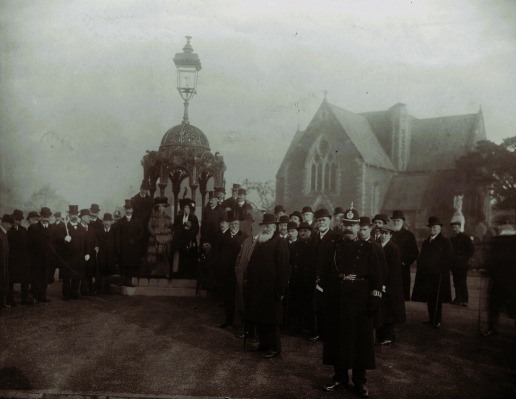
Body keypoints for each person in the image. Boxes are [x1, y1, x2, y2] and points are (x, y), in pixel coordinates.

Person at [320, 206, 382, 398]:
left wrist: (373, 299)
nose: (349, 229)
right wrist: (326, 298)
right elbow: (325, 275)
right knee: (338, 339)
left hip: (360, 300)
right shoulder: (333, 246)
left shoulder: (368, 248)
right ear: (342, 225)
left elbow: (377, 277)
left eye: (353, 226)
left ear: (359, 227)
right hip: (338, 299)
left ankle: (360, 382)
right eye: (346, 225)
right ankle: (339, 378)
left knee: (359, 342)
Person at [245, 213, 290, 358]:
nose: (266, 228)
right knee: (261, 318)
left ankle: (274, 348)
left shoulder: (280, 242)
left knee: (272, 321)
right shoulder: (260, 241)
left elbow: (283, 269)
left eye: (269, 226)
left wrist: (280, 290)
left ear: (275, 226)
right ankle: (263, 345)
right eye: (265, 226)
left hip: (272, 289)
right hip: (259, 289)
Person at [411, 217, 453, 328]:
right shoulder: (426, 242)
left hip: (438, 275)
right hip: (427, 275)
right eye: (430, 227)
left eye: (434, 227)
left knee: (437, 298)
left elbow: (448, 258)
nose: (432, 229)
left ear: (440, 228)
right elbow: (422, 257)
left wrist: (442, 270)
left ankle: (437, 320)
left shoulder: (445, 241)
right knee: (429, 298)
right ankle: (431, 319)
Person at [481, 223, 516, 336]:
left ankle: (492, 328)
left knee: (494, 307)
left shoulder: (497, 242)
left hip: (498, 281)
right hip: (512, 282)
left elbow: (489, 260)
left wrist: (487, 269)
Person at [313, 207, 339, 341]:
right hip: (316, 277)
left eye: (323, 220)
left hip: (330, 279)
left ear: (329, 221)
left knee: (329, 306)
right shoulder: (314, 237)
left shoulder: (335, 238)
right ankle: (319, 331)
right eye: (319, 220)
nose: (321, 223)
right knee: (318, 306)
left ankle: (329, 333)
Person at [376, 224, 406, 345]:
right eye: (381, 233)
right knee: (381, 310)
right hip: (380, 281)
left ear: (390, 235)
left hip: (390, 285)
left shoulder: (393, 249)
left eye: (386, 234)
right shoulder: (378, 246)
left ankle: (388, 336)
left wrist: (386, 285)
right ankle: (381, 335)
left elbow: (394, 270)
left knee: (389, 311)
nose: (383, 236)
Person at [287, 221, 316, 337]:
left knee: (309, 306)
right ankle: (296, 328)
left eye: (305, 231)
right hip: (296, 280)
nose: (303, 233)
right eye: (301, 231)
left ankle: (310, 330)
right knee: (296, 305)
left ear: (310, 232)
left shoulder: (314, 246)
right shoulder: (293, 246)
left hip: (309, 281)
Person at [218, 215, 248, 328]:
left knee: (239, 297)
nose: (233, 226)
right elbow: (218, 253)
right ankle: (228, 320)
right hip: (226, 272)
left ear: (239, 225)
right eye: (231, 224)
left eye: (235, 224)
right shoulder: (223, 237)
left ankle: (239, 322)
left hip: (238, 272)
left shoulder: (244, 237)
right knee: (228, 297)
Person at [28, 207, 56, 303]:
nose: (45, 219)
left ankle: (43, 295)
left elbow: (55, 243)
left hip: (48, 259)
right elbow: (29, 244)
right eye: (44, 216)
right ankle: (36, 295)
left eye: (47, 217)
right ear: (40, 216)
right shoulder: (33, 228)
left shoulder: (53, 228)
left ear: (50, 217)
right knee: (36, 277)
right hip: (36, 258)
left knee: (45, 277)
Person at [57, 205, 86, 300]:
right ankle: (66, 294)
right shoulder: (64, 227)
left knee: (76, 274)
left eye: (75, 214)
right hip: (68, 256)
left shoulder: (81, 228)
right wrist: (64, 238)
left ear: (77, 215)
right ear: (69, 215)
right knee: (66, 276)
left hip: (78, 255)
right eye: (72, 214)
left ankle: (74, 292)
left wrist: (85, 253)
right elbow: (59, 237)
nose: (74, 216)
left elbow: (84, 242)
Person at [390, 210, 419, 300]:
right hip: (390, 268)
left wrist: (405, 262)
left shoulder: (409, 235)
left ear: (402, 221)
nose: (396, 222)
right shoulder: (389, 233)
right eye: (394, 220)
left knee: (401, 295)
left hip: (402, 270)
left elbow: (414, 252)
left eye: (398, 220)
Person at [7, 210, 32, 305]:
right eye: (17, 219)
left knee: (25, 279)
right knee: (10, 280)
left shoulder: (23, 230)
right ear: (13, 219)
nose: (18, 221)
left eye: (20, 219)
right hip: (12, 259)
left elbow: (27, 244)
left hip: (23, 259)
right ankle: (10, 300)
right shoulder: (8, 230)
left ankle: (24, 299)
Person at [117, 199, 143, 286]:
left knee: (131, 264)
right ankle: (122, 281)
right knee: (123, 264)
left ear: (132, 210)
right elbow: (118, 235)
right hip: (123, 247)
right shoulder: (120, 222)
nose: (128, 210)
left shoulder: (137, 221)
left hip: (133, 247)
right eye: (127, 209)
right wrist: (119, 247)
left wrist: (134, 240)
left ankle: (129, 281)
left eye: (130, 209)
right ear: (125, 210)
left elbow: (141, 233)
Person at [146, 197, 173, 277]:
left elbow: (170, 229)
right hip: (155, 239)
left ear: (165, 207)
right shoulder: (153, 217)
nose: (161, 208)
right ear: (157, 207)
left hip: (164, 241)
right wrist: (155, 235)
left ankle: (165, 272)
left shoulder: (168, 218)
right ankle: (154, 272)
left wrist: (164, 237)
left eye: (162, 206)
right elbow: (149, 227)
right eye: (159, 206)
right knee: (154, 257)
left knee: (164, 256)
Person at [449, 221, 475, 307]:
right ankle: (458, 298)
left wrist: (464, 258)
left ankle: (464, 300)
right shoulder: (451, 238)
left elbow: (471, 249)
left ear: (460, 228)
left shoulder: (465, 238)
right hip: (454, 264)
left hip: (462, 264)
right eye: (453, 227)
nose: (454, 229)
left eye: (456, 227)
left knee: (462, 281)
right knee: (456, 282)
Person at [173, 198, 199, 278]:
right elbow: (175, 228)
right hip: (180, 241)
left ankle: (189, 275)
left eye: (187, 208)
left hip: (190, 240)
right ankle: (180, 274)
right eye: (184, 208)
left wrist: (188, 232)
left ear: (190, 209)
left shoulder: (194, 218)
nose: (186, 209)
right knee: (181, 257)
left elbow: (196, 229)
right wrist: (183, 230)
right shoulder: (178, 218)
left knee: (190, 258)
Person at [96, 212, 118, 293]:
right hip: (101, 256)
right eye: (105, 221)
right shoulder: (98, 231)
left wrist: (115, 256)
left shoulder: (114, 232)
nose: (106, 223)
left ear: (111, 222)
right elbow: (96, 242)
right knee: (100, 272)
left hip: (111, 256)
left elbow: (116, 243)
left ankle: (107, 288)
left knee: (109, 272)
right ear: (102, 222)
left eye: (108, 221)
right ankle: (98, 289)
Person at [0, 214, 14, 309]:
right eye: (9, 224)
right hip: (0, 264)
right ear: (3, 222)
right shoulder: (1, 233)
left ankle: (1, 303)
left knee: (3, 282)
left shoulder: (4, 233)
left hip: (4, 263)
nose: (10, 226)